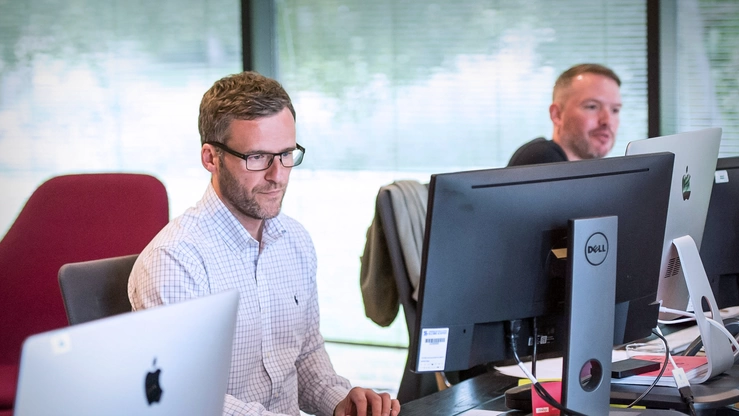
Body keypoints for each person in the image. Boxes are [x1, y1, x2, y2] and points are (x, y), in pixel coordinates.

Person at [128, 71, 400, 416]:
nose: (278, 175)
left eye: (286, 154)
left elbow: (305, 358)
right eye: (257, 157)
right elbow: (188, 399)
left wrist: (341, 402)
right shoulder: (174, 260)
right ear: (211, 158)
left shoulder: (295, 241)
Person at [507, 63, 622, 166]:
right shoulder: (541, 159)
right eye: (592, 107)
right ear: (557, 114)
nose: (607, 121)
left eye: (615, 110)